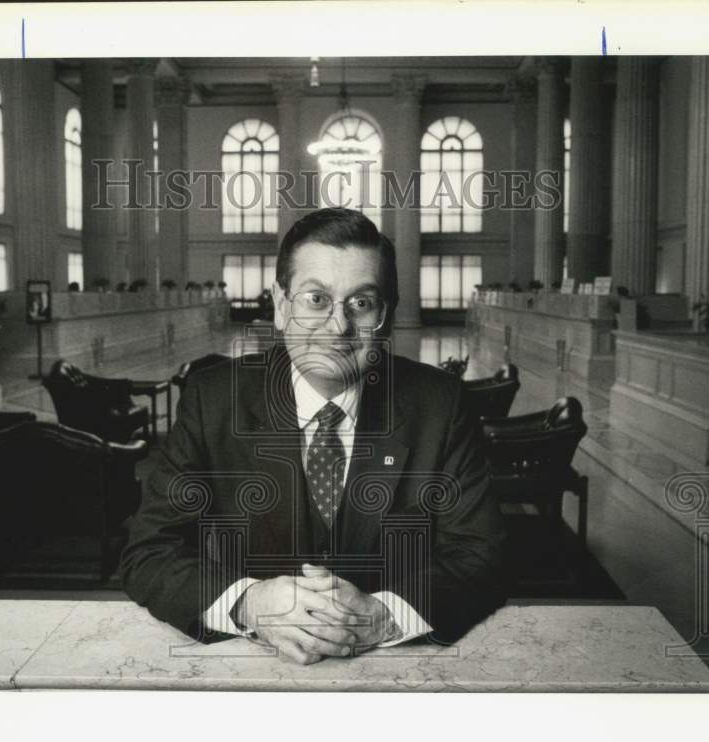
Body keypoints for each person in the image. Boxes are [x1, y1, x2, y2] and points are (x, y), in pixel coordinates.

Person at [120, 207, 507, 664]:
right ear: (282, 308)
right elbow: (149, 550)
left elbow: (482, 555)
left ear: (385, 315)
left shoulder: (440, 404)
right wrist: (251, 604)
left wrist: (385, 614)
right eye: (316, 299)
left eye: (361, 303)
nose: (339, 326)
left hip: (391, 679)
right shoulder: (213, 399)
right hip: (253, 676)